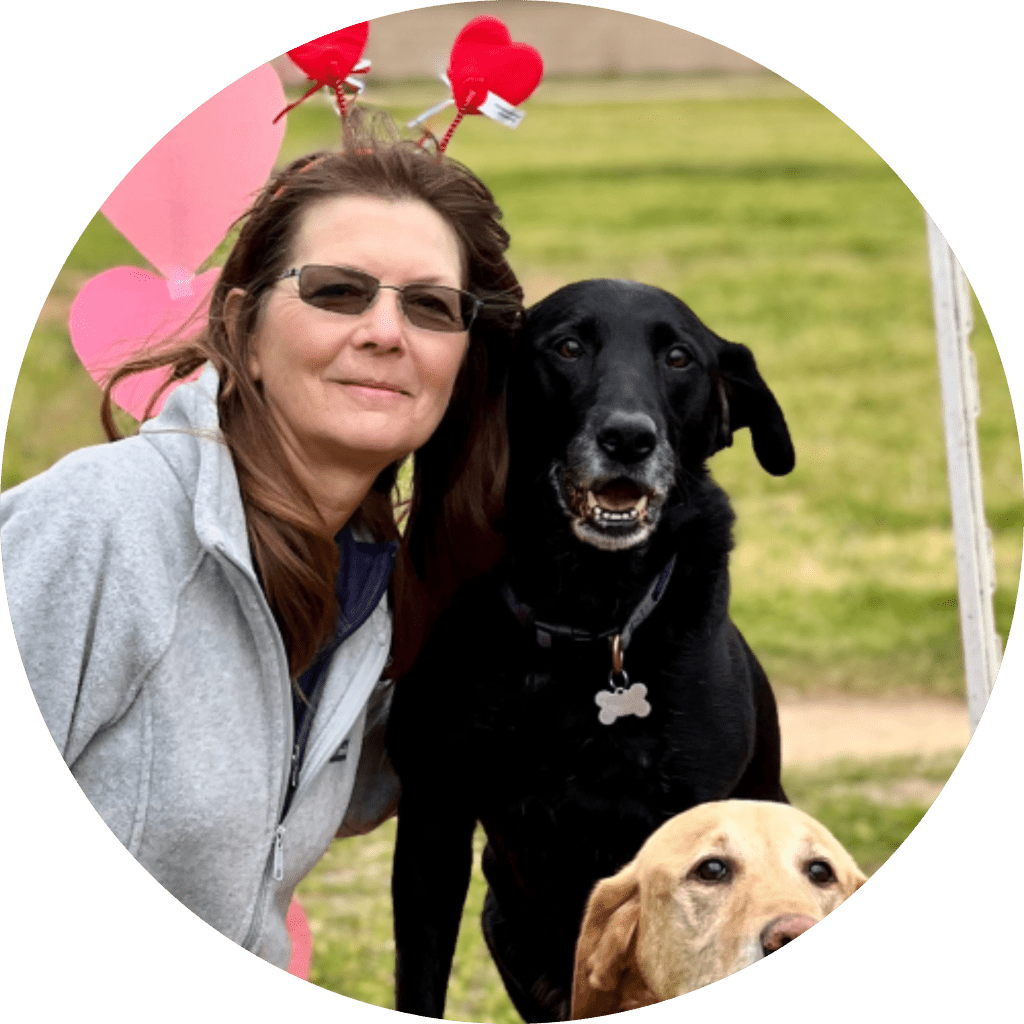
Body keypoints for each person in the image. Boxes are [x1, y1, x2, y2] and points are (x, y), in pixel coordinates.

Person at [0, 116, 523, 970]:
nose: (386, 332)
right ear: (243, 329)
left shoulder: (373, 590)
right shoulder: (103, 522)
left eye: (430, 306)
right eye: (338, 291)